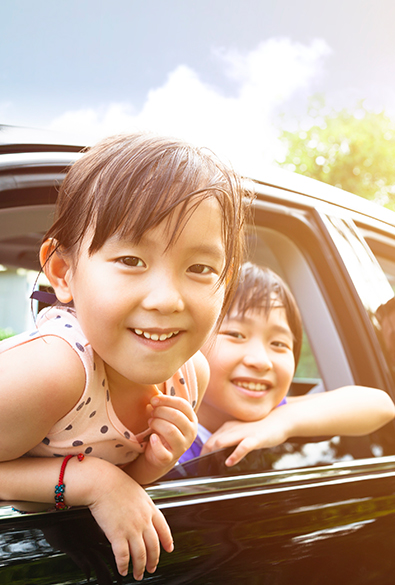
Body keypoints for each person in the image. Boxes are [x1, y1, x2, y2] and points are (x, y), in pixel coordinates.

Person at [0, 132, 248, 580]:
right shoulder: (53, 371)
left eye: (200, 269)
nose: (166, 299)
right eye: (132, 259)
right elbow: (100, 485)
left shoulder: (190, 374)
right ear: (62, 271)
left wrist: (149, 464)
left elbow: (124, 486)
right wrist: (91, 481)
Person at [180, 262, 395, 467]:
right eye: (236, 334)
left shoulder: (274, 414)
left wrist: (282, 422)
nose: (261, 361)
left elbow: (381, 405)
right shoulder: (161, 436)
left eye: (278, 343)